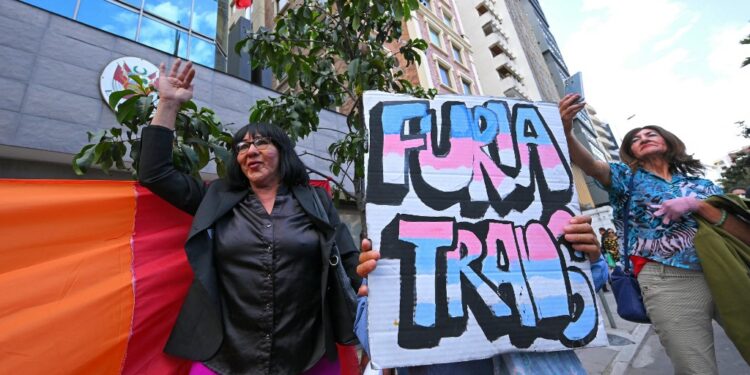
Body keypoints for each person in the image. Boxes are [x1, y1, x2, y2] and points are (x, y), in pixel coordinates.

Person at [137, 59, 361, 374]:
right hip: (223, 357)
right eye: (241, 146)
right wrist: (168, 103)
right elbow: (154, 173)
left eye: (261, 142)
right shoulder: (214, 198)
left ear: (283, 151)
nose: (250, 150)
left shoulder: (317, 200)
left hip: (309, 356)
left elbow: (350, 262)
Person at [559, 93, 750, 375]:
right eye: (636, 138)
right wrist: (566, 130)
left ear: (668, 142)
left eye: (651, 134)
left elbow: (741, 234)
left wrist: (698, 205)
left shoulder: (703, 185)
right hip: (667, 280)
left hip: (724, 268)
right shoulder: (626, 178)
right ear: (630, 152)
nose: (643, 137)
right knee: (695, 368)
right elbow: (591, 165)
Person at [355, 215, 609, 374]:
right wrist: (377, 298)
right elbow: (375, 342)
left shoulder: (523, 225)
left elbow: (580, 298)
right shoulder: (395, 252)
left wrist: (590, 258)